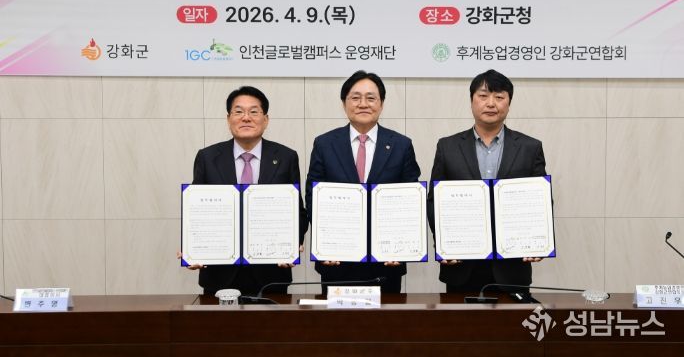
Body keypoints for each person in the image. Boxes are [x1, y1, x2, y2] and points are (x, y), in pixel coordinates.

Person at [427, 69, 546, 293]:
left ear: (509, 103)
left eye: (499, 97)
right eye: (483, 96)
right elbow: (434, 202)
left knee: (513, 318)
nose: (491, 103)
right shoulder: (447, 147)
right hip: (461, 265)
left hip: (512, 266)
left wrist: (539, 241)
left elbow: (540, 201)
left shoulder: (530, 147)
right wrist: (443, 244)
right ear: (471, 101)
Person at [184, 86, 308, 296]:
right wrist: (193, 248)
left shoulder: (286, 157)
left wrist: (293, 243)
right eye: (239, 111)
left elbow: (298, 212)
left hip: (271, 274)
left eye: (254, 112)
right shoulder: (207, 157)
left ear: (265, 119)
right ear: (228, 119)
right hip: (219, 274)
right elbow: (197, 212)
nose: (246, 118)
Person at [306, 70, 421, 293]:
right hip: (336, 260)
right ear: (344, 103)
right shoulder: (324, 144)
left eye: (371, 98)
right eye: (355, 97)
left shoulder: (401, 145)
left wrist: (402, 246)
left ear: (381, 103)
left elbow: (411, 199)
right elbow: (313, 196)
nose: (363, 104)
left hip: (386, 262)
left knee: (387, 316)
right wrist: (323, 244)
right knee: (335, 316)